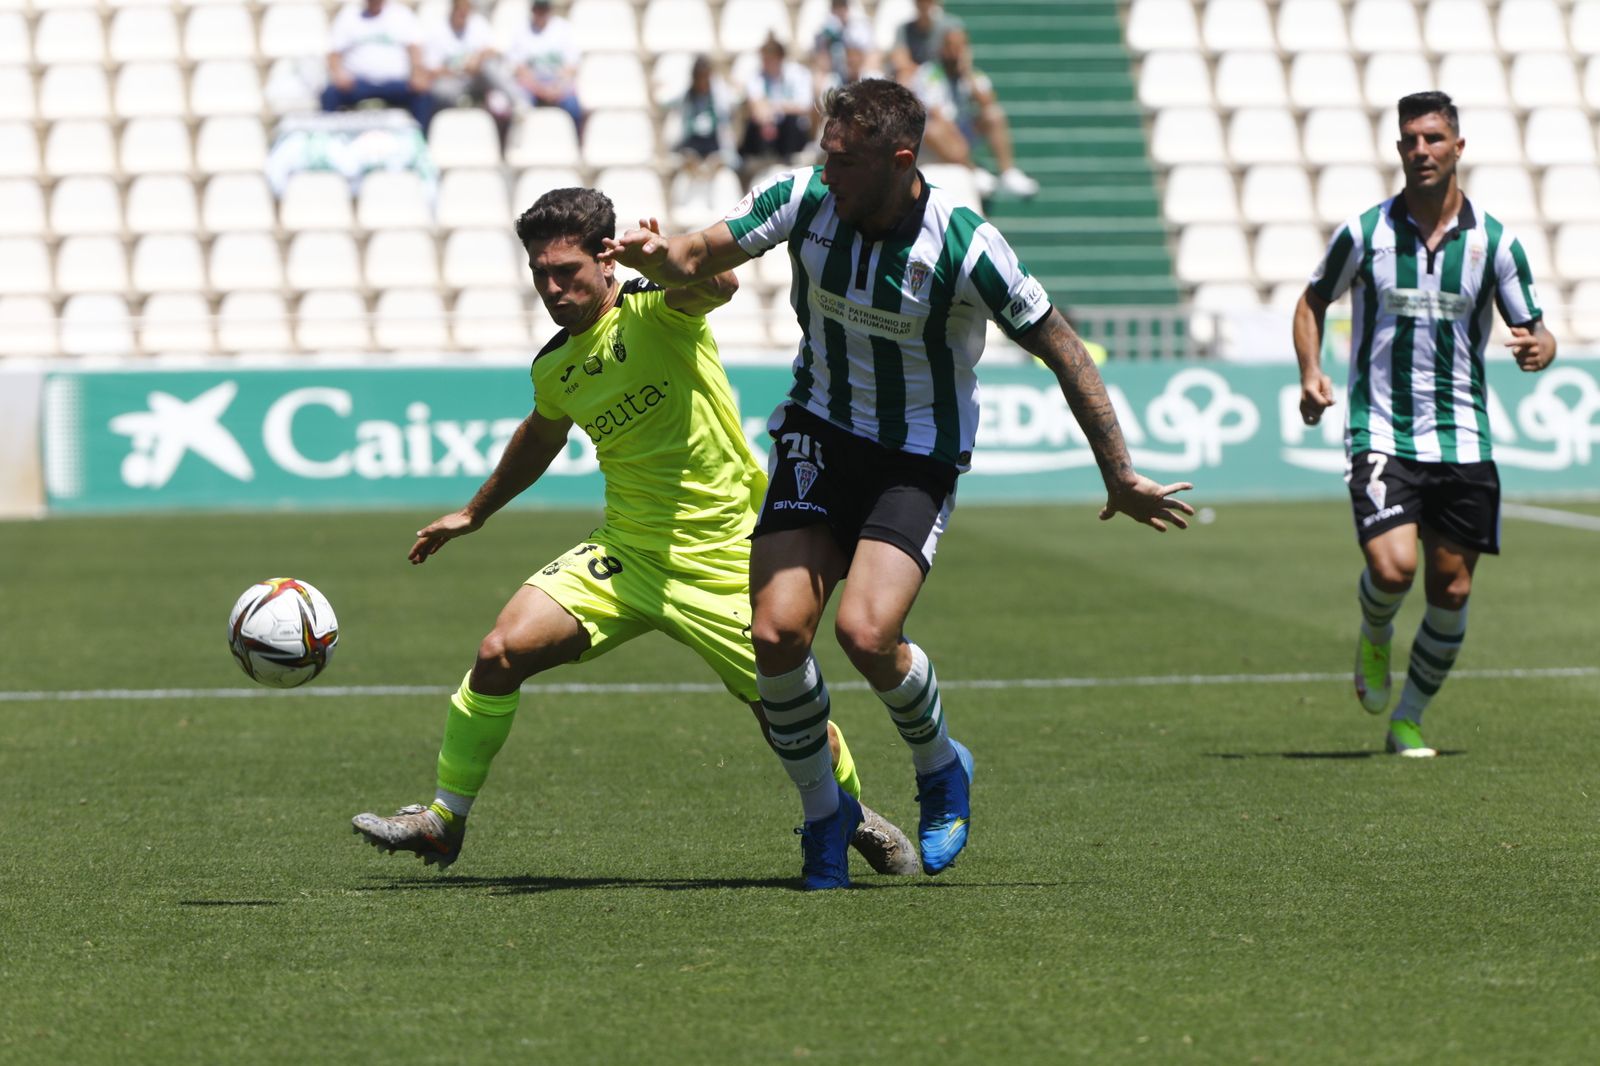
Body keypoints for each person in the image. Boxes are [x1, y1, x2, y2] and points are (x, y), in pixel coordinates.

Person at [600, 80, 1194, 889]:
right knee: (775, 636)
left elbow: (1062, 346)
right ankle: (822, 821)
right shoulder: (802, 198)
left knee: (867, 634)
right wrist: (650, 255)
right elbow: (696, 255)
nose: (826, 171)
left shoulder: (968, 245)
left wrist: (1118, 473)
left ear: (900, 160)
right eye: (824, 153)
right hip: (817, 430)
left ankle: (941, 765)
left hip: (916, 455)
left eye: (843, 161)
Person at [352, 187, 917, 879]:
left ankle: (851, 818)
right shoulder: (555, 365)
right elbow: (541, 434)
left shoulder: (657, 305)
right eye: (540, 275)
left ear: (606, 260)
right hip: (627, 552)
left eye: (568, 272)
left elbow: (721, 283)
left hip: (726, 555)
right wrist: (475, 512)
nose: (553, 288)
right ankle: (443, 821)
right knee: (499, 652)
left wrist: (673, 260)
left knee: (786, 715)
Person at [1294, 91, 1557, 758]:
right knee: (1392, 569)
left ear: (1457, 147)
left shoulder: (1495, 242)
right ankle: (1376, 632)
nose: (1421, 151)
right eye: (1410, 140)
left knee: (1453, 587)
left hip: (1465, 437)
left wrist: (1539, 348)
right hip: (1381, 428)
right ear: (1399, 150)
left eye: (1434, 139)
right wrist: (1309, 370)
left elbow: (1536, 329)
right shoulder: (1365, 233)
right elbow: (1312, 300)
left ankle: (1408, 717)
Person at [911, 25, 1038, 199]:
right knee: (934, 129)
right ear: (942, 48)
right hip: (940, 137)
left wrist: (967, 74)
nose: (955, 51)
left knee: (994, 115)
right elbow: (937, 116)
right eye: (951, 46)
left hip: (963, 130)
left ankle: (1008, 173)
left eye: (960, 46)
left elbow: (988, 103)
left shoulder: (973, 75)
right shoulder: (928, 74)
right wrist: (960, 143)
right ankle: (972, 170)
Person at [322, 0, 436, 131]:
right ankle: (327, 140)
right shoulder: (349, 15)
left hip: (395, 83)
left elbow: (415, 48)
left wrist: (417, 74)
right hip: (357, 84)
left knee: (422, 95)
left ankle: (420, 139)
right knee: (330, 94)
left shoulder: (401, 14)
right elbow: (333, 52)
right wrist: (339, 73)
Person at [423, 0, 516, 141]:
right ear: (453, 10)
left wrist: (478, 60)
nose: (463, 16)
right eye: (460, 12)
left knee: (490, 68)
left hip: (476, 79)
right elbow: (432, 70)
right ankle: (462, 107)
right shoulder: (437, 30)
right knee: (438, 90)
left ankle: (518, 103)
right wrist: (460, 69)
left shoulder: (477, 23)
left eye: (466, 12)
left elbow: (494, 49)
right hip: (451, 81)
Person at [736, 35, 814, 181]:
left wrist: (777, 107)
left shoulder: (798, 73)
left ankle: (789, 160)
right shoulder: (757, 75)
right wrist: (767, 115)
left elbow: (804, 105)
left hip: (790, 131)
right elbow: (756, 103)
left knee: (791, 121)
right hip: (767, 127)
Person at [507, 0, 583, 135]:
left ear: (550, 10)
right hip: (532, 84)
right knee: (519, 105)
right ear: (532, 10)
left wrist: (557, 87)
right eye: (537, 9)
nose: (540, 13)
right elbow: (519, 68)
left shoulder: (563, 28)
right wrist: (540, 89)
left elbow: (571, 66)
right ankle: (519, 142)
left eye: (544, 9)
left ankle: (576, 141)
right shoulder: (521, 30)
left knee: (573, 105)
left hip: (557, 82)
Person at [888, 0, 960, 84]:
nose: (924, 4)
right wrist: (923, 74)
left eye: (928, 1)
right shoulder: (903, 29)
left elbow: (960, 57)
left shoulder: (951, 26)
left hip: (943, 76)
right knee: (904, 77)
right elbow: (900, 60)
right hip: (915, 76)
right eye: (921, 1)